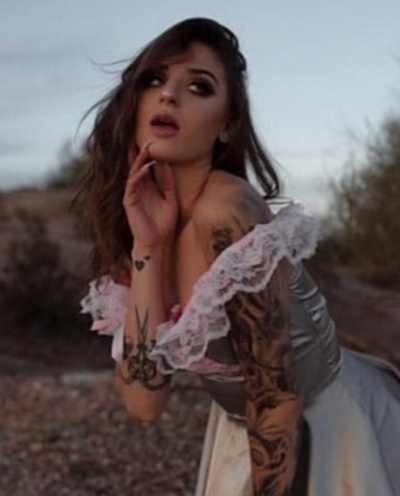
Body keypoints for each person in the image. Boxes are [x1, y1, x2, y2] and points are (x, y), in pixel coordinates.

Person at [78, 18, 400, 496]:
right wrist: (149, 247)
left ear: (226, 126)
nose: (169, 95)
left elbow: (277, 398)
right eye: (155, 79)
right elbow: (144, 401)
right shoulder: (137, 217)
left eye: (198, 87)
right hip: (242, 429)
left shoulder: (225, 212)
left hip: (326, 431)